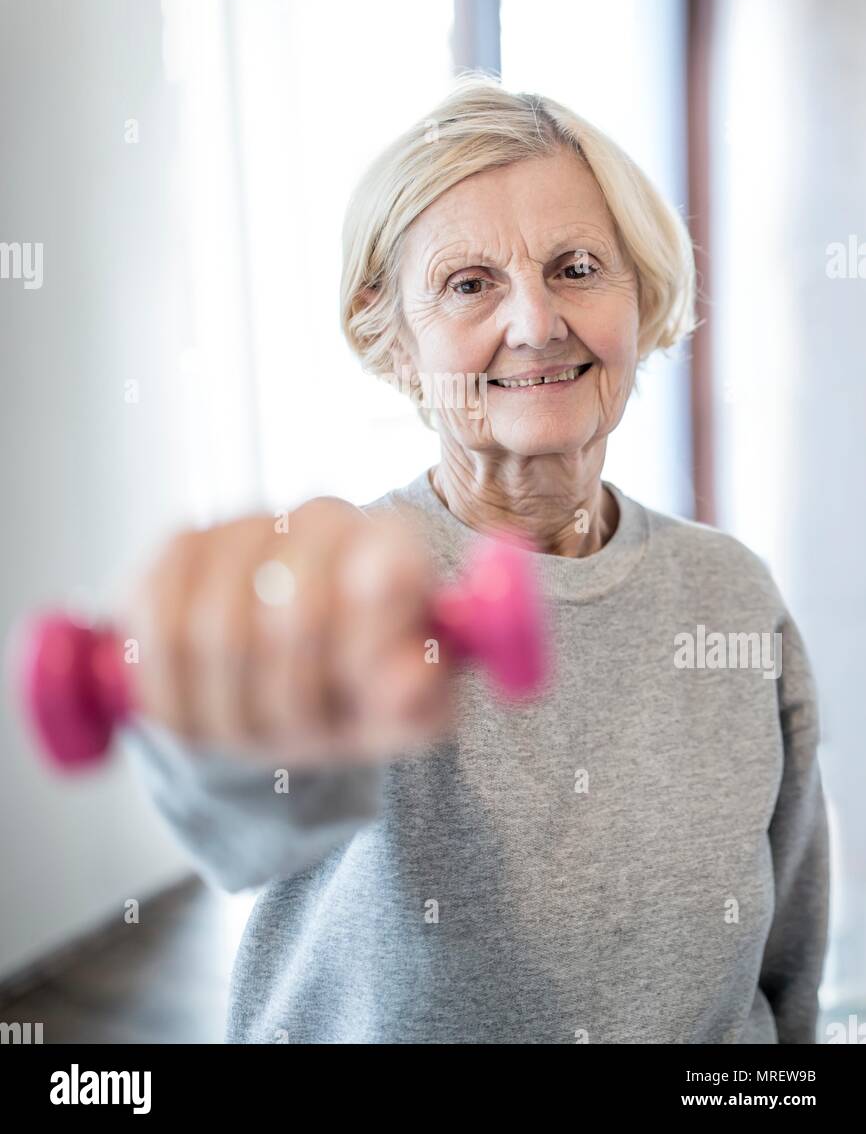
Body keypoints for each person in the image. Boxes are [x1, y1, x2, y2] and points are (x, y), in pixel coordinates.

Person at [124, 75, 829, 1043]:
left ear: (642, 292)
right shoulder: (350, 588)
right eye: (469, 284)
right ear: (393, 337)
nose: (536, 323)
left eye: (577, 266)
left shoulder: (730, 592)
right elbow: (243, 815)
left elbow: (785, 966)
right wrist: (214, 692)